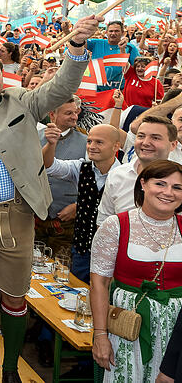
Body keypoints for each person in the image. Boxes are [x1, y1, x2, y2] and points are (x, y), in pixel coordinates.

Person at [0, 14, 101, 383]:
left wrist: (75, 48)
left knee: (14, 297)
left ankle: (10, 368)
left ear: (2, 77)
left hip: (17, 217)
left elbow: (60, 88)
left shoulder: (24, 102)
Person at [90, 160, 182, 383]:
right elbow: (99, 285)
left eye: (177, 187)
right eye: (160, 183)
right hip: (128, 327)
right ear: (143, 184)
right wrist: (100, 334)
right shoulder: (116, 225)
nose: (168, 192)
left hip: (178, 329)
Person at [42, 123, 121, 283]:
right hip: (82, 248)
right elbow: (49, 166)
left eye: (99, 142)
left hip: (112, 254)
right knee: (77, 290)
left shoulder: (125, 176)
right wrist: (51, 144)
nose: (91, 146)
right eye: (89, 141)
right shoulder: (81, 167)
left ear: (116, 146)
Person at [97, 116, 178, 225]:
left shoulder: (180, 178)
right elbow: (103, 221)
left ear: (173, 145)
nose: (145, 142)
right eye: (141, 136)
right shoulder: (117, 175)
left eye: (155, 138)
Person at [35, 97, 86, 257]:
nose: (74, 117)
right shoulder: (33, 136)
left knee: (60, 270)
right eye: (68, 113)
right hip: (33, 219)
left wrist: (79, 206)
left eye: (76, 112)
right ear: (52, 115)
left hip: (66, 221)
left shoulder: (87, 142)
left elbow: (94, 180)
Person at [86, 20, 138, 88]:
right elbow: (77, 42)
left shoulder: (130, 48)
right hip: (95, 90)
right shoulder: (96, 43)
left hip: (117, 92)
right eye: (111, 31)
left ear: (122, 33)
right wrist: (67, 30)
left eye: (116, 31)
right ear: (106, 32)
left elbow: (136, 68)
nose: (113, 33)